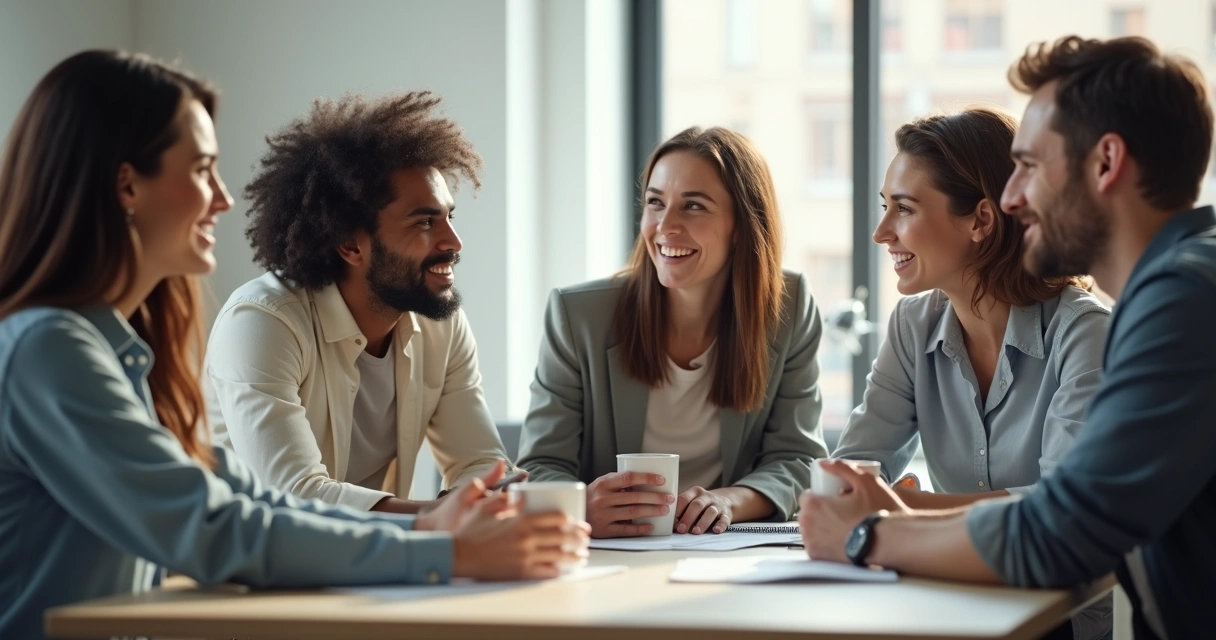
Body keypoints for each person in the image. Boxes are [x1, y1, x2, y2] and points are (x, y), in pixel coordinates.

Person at [0, 50, 587, 640]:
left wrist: (440, 533)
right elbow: (214, 527)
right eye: (203, 170)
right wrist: (445, 550)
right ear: (127, 184)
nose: (223, 199)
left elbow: (246, 497)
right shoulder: (49, 352)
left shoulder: (116, 350)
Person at [798, 36, 1215, 640]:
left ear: (1105, 162)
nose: (1013, 198)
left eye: (1030, 166)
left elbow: (1061, 530)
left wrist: (869, 531)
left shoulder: (1181, 303)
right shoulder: (1178, 291)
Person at [832, 107, 1112, 639]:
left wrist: (907, 508)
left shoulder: (1086, 334)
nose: (881, 232)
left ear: (981, 220)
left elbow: (1060, 507)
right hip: (952, 606)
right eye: (884, 208)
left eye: (905, 209)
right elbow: (852, 471)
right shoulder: (914, 324)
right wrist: (862, 501)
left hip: (1060, 620)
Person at [204, 91, 518, 513]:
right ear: (350, 244)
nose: (454, 242)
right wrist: (443, 515)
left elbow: (480, 464)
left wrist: (519, 501)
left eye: (449, 216)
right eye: (425, 221)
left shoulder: (440, 321)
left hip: (383, 567)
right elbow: (295, 495)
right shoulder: (262, 321)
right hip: (260, 572)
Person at [518, 126, 827, 538]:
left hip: (726, 552)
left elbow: (798, 458)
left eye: (693, 206)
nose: (665, 226)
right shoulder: (579, 315)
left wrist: (728, 501)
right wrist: (581, 505)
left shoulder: (788, 308)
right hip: (610, 552)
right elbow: (539, 465)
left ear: (741, 226)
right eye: (655, 203)